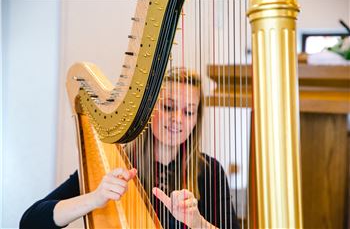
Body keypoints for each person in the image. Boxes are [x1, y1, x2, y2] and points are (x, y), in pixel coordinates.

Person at [20, 67, 240, 229]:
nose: (178, 119)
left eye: (189, 112)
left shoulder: (209, 170)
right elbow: (30, 222)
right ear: (150, 110)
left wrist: (197, 223)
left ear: (196, 120)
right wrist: (95, 198)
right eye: (169, 107)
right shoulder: (113, 167)